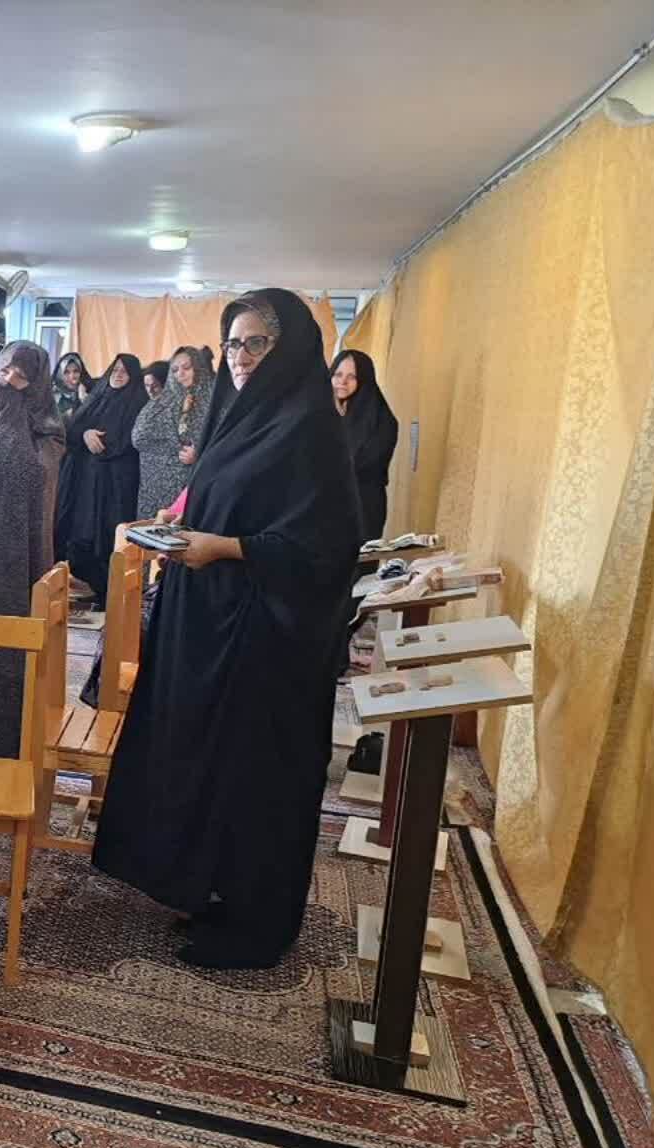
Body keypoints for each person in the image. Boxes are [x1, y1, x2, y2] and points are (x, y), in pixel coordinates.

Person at [91, 290, 361, 970]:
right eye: (231, 344)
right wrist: (186, 531)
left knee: (256, 779)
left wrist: (227, 548)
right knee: (210, 765)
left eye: (255, 343)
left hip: (268, 641)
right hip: (214, 623)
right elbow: (227, 501)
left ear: (289, 349)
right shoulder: (242, 418)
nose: (239, 358)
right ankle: (211, 891)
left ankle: (256, 926)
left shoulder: (309, 428)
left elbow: (325, 549)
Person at [0, 340, 52, 755]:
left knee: (10, 648)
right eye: (4, 371)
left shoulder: (46, 427)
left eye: (21, 375)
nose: (9, 381)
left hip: (18, 558)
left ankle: (5, 741)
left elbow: (41, 479)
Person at [53, 352, 147, 609]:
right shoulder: (98, 395)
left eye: (124, 371)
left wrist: (102, 444)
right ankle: (97, 591)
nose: (118, 374)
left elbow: (129, 440)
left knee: (108, 541)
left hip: (116, 486)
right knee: (80, 539)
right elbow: (72, 429)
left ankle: (111, 601)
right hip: (86, 484)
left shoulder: (138, 402)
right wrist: (85, 434)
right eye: (115, 369)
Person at [132, 345, 216, 519]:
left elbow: (225, 441)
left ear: (199, 368)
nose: (180, 374)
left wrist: (200, 455)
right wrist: (174, 449)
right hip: (157, 487)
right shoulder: (165, 399)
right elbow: (139, 437)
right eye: (175, 370)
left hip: (193, 485)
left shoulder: (214, 400)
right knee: (153, 531)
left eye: (187, 368)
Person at [331, 349, 399, 544]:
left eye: (352, 377)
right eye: (338, 374)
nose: (343, 382)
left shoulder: (382, 421)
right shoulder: (319, 413)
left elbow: (362, 465)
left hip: (362, 509)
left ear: (364, 379)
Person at [53, 351, 92, 423]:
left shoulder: (91, 391)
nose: (72, 376)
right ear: (60, 375)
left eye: (76, 371)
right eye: (66, 372)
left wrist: (84, 398)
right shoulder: (52, 396)